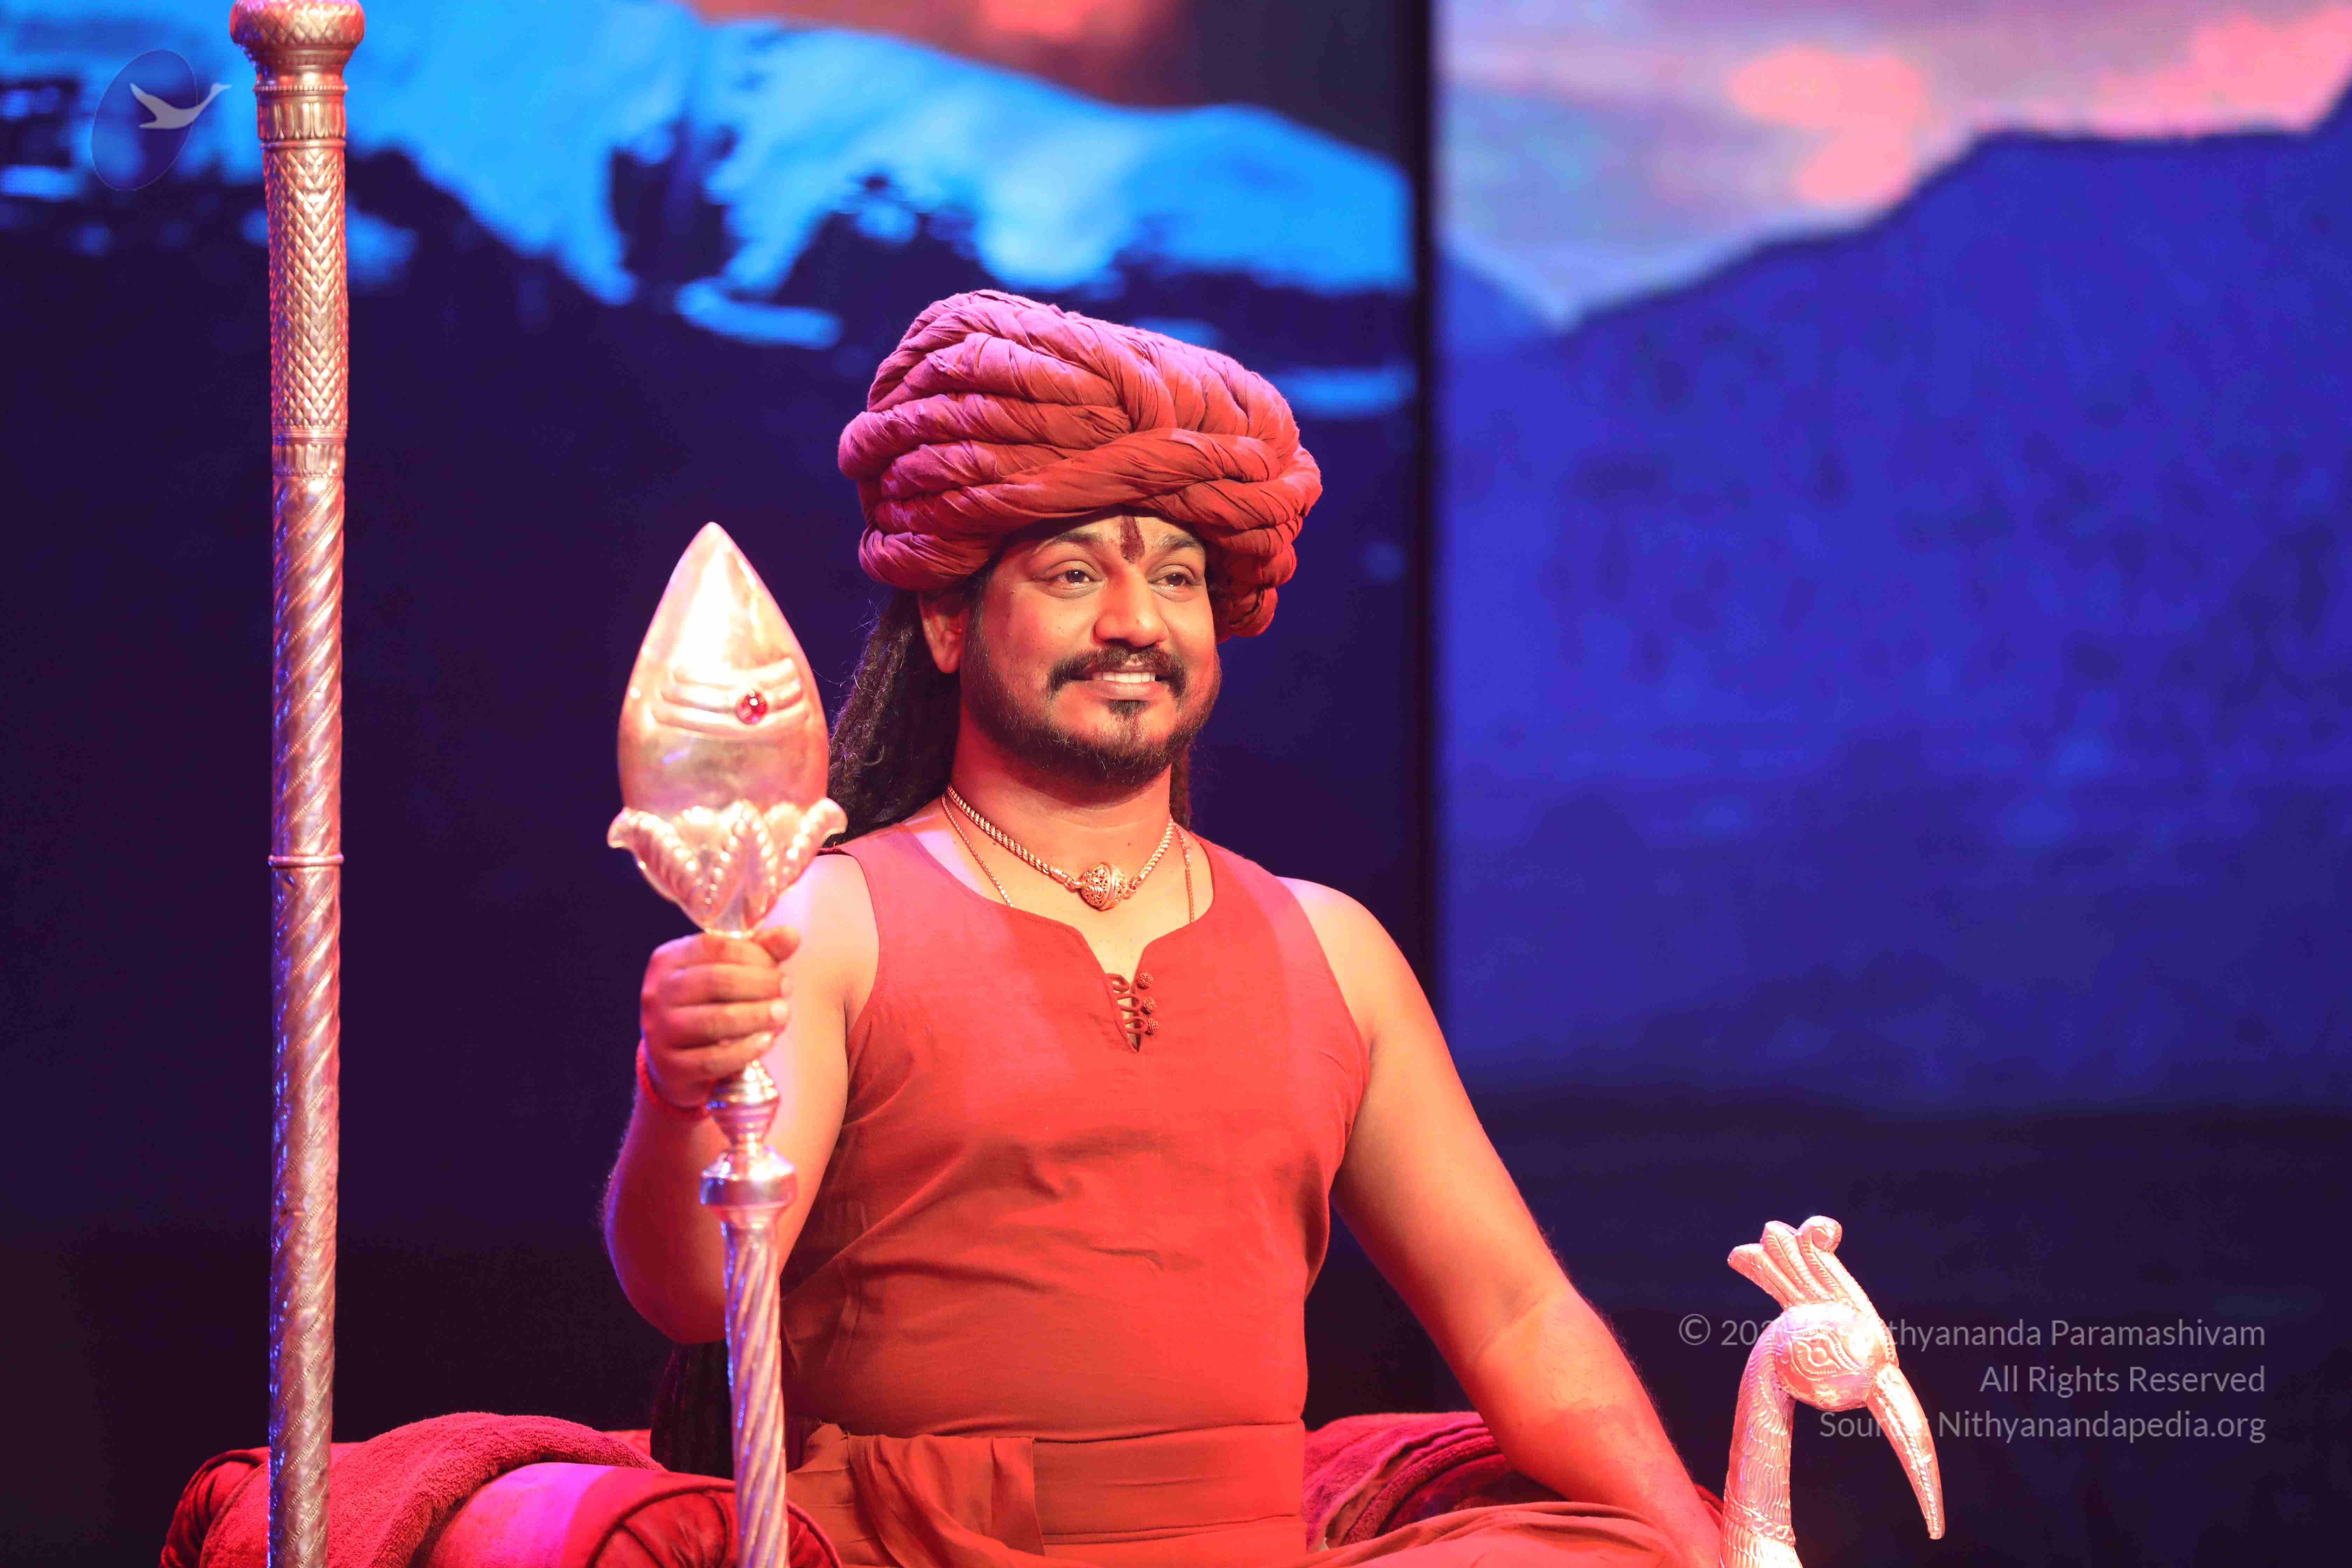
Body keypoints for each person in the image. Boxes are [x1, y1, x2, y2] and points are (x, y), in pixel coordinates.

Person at [602, 291, 1723, 1568]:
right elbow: (695, 1294)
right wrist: (678, 1091)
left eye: (1177, 578)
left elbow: (1518, 1315)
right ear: (950, 621)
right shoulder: (832, 920)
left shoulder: (1332, 948)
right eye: (1076, 574)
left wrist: (1702, 1547)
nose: (1136, 622)